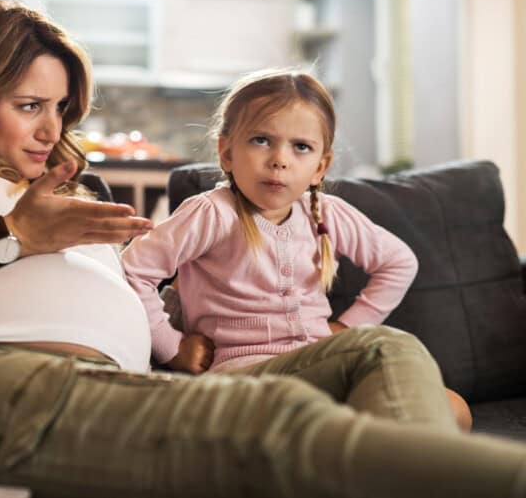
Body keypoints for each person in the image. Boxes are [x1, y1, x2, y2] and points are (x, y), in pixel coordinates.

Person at [0, 0, 526, 498]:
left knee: (388, 353)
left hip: (132, 387)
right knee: (286, 434)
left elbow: (151, 287)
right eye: (29, 106)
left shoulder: (73, 188)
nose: (52, 130)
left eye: (62, 110)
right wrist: (9, 236)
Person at [122, 69, 473, 432]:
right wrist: (172, 348)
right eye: (261, 140)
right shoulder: (211, 213)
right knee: (381, 353)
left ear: (320, 167)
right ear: (226, 152)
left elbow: (398, 262)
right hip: (246, 378)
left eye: (300, 147)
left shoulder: (326, 214)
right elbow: (133, 270)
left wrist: (348, 326)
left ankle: (365, 459)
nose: (280, 159)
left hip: (323, 368)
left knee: (455, 409)